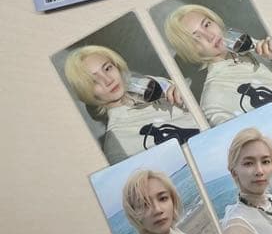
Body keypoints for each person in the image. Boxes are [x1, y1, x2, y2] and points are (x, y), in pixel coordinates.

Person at [63, 45, 199, 163]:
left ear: (117, 66)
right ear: (86, 92)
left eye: (107, 68)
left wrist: (186, 95)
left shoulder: (154, 86)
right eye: (94, 81)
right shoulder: (116, 145)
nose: (108, 80)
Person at [164, 4, 272, 126]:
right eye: (197, 37)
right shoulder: (212, 99)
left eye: (207, 24)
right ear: (190, 50)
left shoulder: (253, 45)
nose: (210, 36)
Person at [122, 168, 204, 234]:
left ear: (173, 200)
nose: (157, 210)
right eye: (144, 204)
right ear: (133, 214)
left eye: (163, 198)